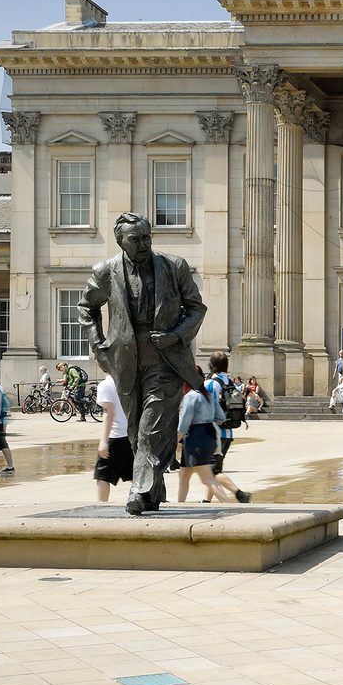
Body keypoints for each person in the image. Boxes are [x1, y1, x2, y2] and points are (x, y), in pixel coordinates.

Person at [79, 212, 211, 515]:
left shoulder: (174, 266)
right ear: (121, 242)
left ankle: (138, 490)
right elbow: (87, 308)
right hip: (125, 360)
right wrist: (99, 346)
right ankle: (153, 491)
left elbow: (196, 308)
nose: (143, 244)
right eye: (135, 239)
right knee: (137, 428)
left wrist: (175, 335)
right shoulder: (106, 271)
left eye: (146, 237)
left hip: (165, 359)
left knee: (152, 426)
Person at [176, 368, 250, 504]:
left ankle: (227, 505)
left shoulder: (190, 397)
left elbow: (184, 423)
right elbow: (221, 417)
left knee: (207, 478)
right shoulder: (208, 396)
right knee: (184, 475)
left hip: (195, 437)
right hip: (209, 434)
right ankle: (180, 505)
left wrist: (176, 440)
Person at [92, 374, 132, 503]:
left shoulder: (106, 385)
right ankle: (150, 499)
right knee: (135, 475)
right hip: (132, 434)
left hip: (116, 435)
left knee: (103, 475)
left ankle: (102, 505)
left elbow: (109, 413)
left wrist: (103, 441)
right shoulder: (129, 380)